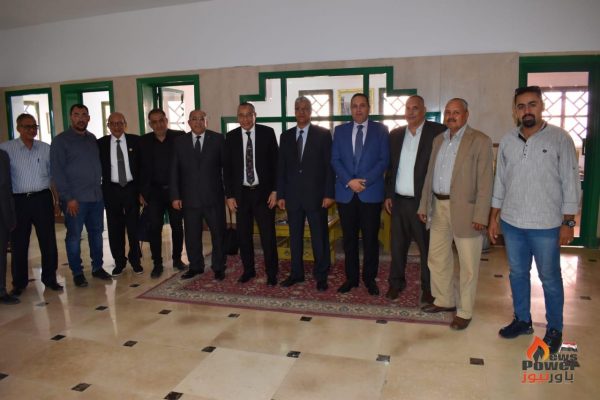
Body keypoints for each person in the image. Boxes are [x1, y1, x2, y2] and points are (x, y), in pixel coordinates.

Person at [489, 86, 581, 354]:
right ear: (515, 111)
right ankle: (522, 320)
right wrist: (494, 217)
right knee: (518, 274)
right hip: (512, 223)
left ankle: (554, 329)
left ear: (541, 106)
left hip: (546, 225)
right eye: (521, 106)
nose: (526, 110)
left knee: (549, 278)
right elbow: (500, 182)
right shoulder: (507, 141)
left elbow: (571, 182)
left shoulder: (560, 138)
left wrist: (568, 223)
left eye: (532, 104)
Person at [417, 98, 493, 330]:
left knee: (468, 265)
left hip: (466, 211)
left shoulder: (479, 140)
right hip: (438, 206)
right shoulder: (439, 140)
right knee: (437, 257)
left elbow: (486, 182)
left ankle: (465, 311)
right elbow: (430, 175)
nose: (451, 116)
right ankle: (444, 300)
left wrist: (481, 215)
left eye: (456, 112)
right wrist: (423, 205)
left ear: (466, 115)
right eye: (448, 112)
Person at [384, 95, 445, 303]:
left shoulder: (437, 132)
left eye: (415, 108)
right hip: (399, 202)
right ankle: (396, 283)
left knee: (426, 248)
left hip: (422, 202)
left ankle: (428, 287)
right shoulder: (395, 135)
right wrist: (389, 195)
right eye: (408, 108)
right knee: (397, 246)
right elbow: (391, 169)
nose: (410, 112)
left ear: (424, 110)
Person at [331, 93, 389, 295]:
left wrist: (364, 182)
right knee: (349, 240)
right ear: (350, 109)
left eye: (362, 105)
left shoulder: (381, 130)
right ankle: (351, 278)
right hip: (346, 193)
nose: (358, 109)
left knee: (371, 239)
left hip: (370, 193)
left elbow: (383, 160)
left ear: (368, 108)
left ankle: (369, 279)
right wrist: (349, 181)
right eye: (354, 106)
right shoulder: (340, 131)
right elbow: (335, 160)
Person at [0, 114, 62, 295]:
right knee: (19, 243)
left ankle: (50, 278)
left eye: (34, 126)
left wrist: (56, 201)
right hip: (18, 201)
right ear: (18, 128)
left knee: (48, 241)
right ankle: (19, 283)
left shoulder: (45, 148)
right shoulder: (6, 149)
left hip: (42, 199)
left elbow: (52, 177)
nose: (32, 130)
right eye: (27, 127)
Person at [277, 96, 335, 291]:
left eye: (305, 108)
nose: (301, 112)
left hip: (317, 197)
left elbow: (329, 167)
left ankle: (321, 275)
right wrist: (281, 195)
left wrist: (329, 193)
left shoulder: (323, 134)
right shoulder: (285, 136)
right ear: (294, 112)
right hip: (293, 197)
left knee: (319, 237)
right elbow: (281, 168)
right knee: (295, 237)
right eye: (297, 108)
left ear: (310, 112)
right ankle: (296, 273)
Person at [50, 104, 111, 287]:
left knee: (96, 234)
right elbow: (57, 172)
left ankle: (97, 267)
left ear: (89, 118)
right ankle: (77, 272)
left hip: (96, 197)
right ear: (71, 117)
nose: (81, 118)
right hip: (75, 200)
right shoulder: (61, 141)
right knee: (74, 237)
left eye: (84, 115)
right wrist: (68, 198)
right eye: (76, 115)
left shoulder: (92, 138)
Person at [224, 102, 279, 286]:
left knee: (268, 236)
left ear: (255, 115)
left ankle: (272, 273)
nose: (245, 119)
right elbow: (227, 169)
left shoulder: (267, 133)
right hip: (241, 195)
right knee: (243, 236)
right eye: (241, 115)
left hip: (264, 195)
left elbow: (276, 164)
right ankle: (248, 270)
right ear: (237, 117)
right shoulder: (231, 137)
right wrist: (229, 196)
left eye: (249, 114)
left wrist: (275, 190)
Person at [170, 110, 227, 281]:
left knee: (218, 234)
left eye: (201, 119)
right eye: (194, 119)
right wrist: (175, 196)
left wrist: (228, 193)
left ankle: (219, 266)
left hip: (214, 198)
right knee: (192, 235)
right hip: (190, 199)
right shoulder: (180, 142)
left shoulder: (218, 139)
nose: (198, 122)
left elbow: (226, 169)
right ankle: (195, 266)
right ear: (189, 122)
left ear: (206, 121)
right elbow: (174, 170)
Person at [138, 109, 186, 278]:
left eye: (161, 120)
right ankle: (157, 263)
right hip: (153, 192)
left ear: (166, 120)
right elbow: (139, 169)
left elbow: (185, 164)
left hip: (175, 192)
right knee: (154, 228)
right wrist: (141, 192)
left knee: (177, 226)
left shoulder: (179, 137)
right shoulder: (143, 141)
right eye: (154, 122)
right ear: (150, 124)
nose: (158, 124)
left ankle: (177, 259)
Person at [97, 112, 142, 276]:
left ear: (125, 124)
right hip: (111, 189)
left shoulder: (136, 141)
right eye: (113, 123)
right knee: (115, 228)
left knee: (133, 227)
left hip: (131, 188)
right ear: (108, 125)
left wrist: (142, 191)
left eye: (120, 123)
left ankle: (135, 260)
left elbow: (142, 167)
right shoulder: (100, 144)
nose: (116, 127)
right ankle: (119, 262)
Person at [0, 149, 18, 304]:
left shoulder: (3, 156)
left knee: (1, 255)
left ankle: (1, 291)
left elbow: (8, 187)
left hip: (3, 214)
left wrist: (11, 214)